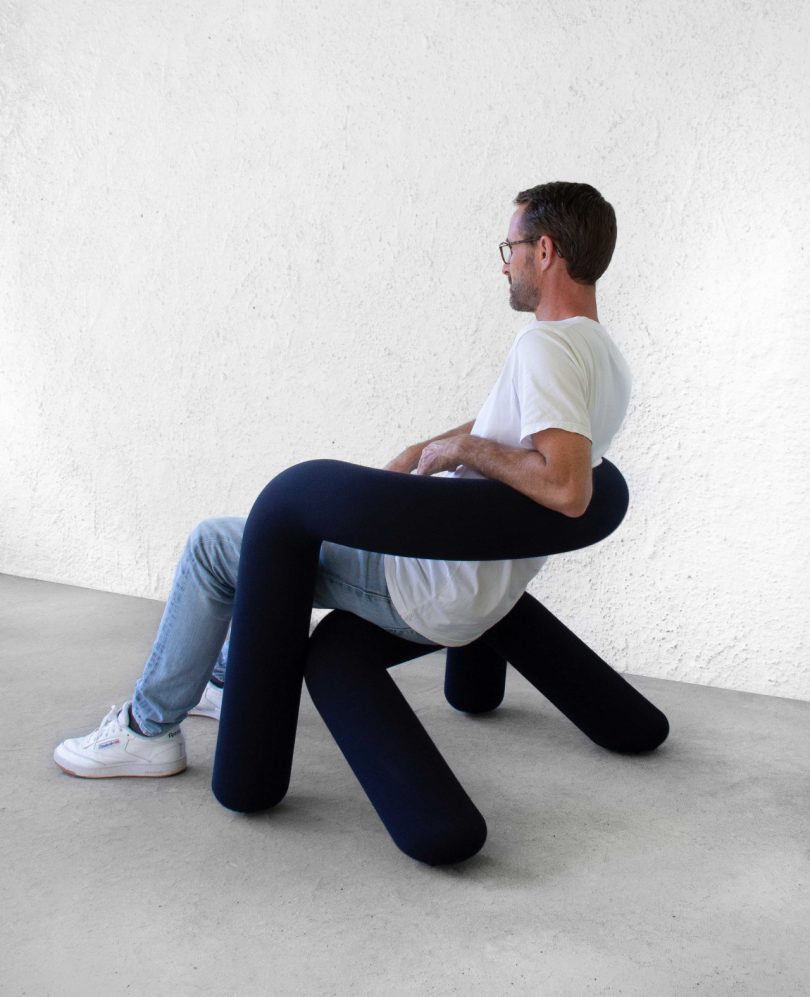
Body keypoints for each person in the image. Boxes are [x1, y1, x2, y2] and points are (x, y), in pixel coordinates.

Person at [53, 180, 630, 779]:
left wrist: (464, 449)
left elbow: (567, 490)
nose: (504, 266)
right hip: (473, 581)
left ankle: (147, 730)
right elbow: (530, 429)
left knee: (217, 545)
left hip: (429, 587)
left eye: (509, 248)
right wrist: (432, 446)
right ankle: (226, 680)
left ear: (545, 250)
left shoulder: (544, 349)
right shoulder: (600, 355)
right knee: (278, 535)